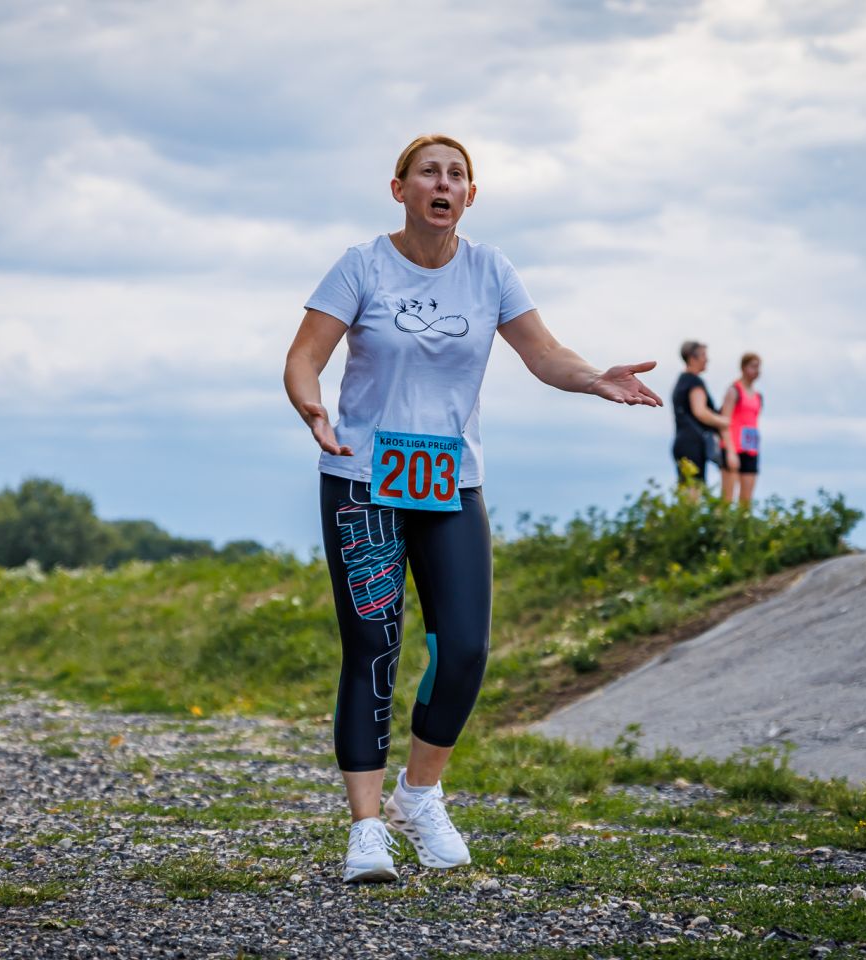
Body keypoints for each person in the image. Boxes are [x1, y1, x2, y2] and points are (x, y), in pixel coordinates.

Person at [283, 135, 661, 882]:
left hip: (449, 483)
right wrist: (310, 406)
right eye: (429, 172)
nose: (443, 183)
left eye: (457, 175)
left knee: (465, 650)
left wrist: (594, 378)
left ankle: (418, 794)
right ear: (400, 189)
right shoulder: (362, 265)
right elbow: (304, 356)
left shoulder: (491, 270)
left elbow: (543, 354)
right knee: (373, 647)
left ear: (471, 195)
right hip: (361, 478)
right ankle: (366, 832)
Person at [670, 341, 730, 496]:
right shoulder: (694, 381)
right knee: (693, 493)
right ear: (692, 358)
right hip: (693, 443)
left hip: (682, 441)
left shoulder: (682, 381)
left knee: (686, 490)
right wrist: (724, 422)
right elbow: (700, 412)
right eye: (703, 355)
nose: (707, 359)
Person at [720, 352, 763, 508]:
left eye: (758, 367)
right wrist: (730, 451)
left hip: (751, 448)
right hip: (733, 447)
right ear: (743, 368)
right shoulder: (734, 391)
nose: (757, 371)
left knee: (746, 502)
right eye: (753, 366)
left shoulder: (758, 396)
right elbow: (725, 421)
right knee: (727, 499)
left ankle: (743, 531)